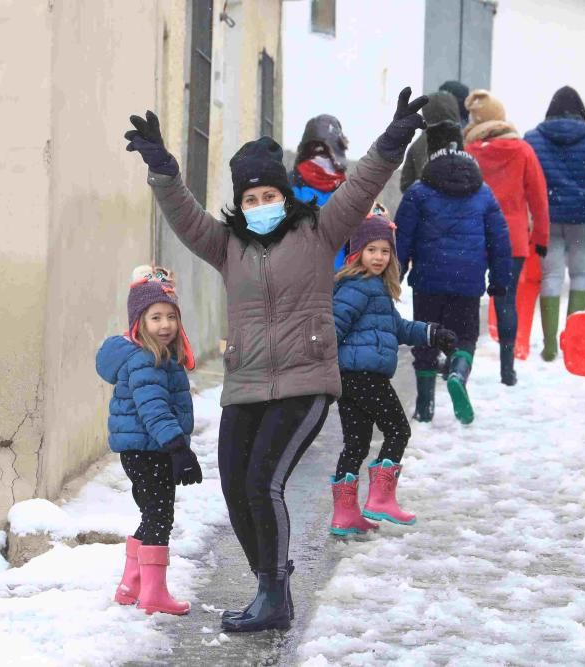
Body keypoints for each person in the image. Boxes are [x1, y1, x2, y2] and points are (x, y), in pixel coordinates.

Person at [123, 87, 428, 632]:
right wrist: (163, 168)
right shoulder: (226, 247)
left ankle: (275, 593)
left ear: (285, 196)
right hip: (246, 385)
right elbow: (183, 215)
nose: (261, 205)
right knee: (236, 488)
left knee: (264, 483)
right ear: (240, 203)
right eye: (251, 198)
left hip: (304, 382)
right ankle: (267, 587)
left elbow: (361, 186)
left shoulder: (318, 232)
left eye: (269, 195)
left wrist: (393, 139)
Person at [329, 215, 457, 535]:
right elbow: (333, 326)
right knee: (399, 430)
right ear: (357, 252)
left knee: (356, 445)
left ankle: (345, 515)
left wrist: (431, 333)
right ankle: (380, 500)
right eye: (371, 249)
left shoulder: (376, 289)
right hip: (363, 376)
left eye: (385, 251)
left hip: (353, 379)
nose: (378, 257)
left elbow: (397, 328)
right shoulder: (358, 287)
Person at [95, 265, 202, 616]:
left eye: (171, 316)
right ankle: (153, 594)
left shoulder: (158, 356)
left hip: (143, 450)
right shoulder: (147, 360)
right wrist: (178, 448)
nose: (166, 324)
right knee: (159, 516)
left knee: (151, 514)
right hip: (150, 449)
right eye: (156, 317)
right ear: (139, 322)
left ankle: (132, 585)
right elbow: (153, 409)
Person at [395, 121, 513, 425]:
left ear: (431, 148)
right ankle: (458, 373)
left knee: (425, 340)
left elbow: (403, 236)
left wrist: (393, 274)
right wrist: (499, 281)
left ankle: (424, 405)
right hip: (468, 282)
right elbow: (500, 239)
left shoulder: (418, 192)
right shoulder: (483, 193)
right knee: (465, 337)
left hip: (428, 282)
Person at [464, 90, 550, 385]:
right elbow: (538, 198)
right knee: (506, 300)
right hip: (512, 238)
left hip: (475, 233)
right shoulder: (523, 151)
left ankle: (462, 365)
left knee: (468, 300)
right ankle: (507, 369)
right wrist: (541, 236)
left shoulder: (470, 152)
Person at [525, 86, 585, 362]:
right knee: (581, 275)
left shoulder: (533, 138)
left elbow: (529, 177)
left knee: (551, 276)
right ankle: (574, 343)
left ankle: (550, 346)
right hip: (582, 217)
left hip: (547, 216)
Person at [289, 114, 352, 269]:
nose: (321, 159)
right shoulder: (288, 186)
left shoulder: (348, 190)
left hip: (339, 279)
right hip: (298, 277)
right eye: (316, 150)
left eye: (326, 152)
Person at [400, 90, 462, 193]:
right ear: (454, 109)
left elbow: (406, 184)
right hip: (461, 204)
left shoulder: (417, 145)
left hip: (427, 205)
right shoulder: (463, 139)